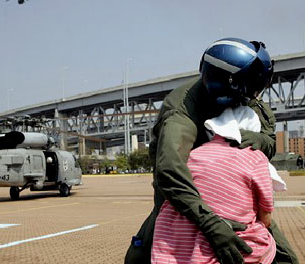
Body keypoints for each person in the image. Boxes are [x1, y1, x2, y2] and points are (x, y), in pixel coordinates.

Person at [124, 38, 298, 264]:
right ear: (233, 84)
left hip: (238, 201)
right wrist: (211, 223)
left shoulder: (246, 98)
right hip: (184, 203)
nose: (256, 95)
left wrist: (258, 140)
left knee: (286, 259)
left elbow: (269, 142)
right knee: (141, 257)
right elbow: (170, 172)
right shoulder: (182, 110)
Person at [152, 105, 284, 264]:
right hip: (231, 251)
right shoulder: (255, 158)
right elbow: (266, 217)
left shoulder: (192, 155)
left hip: (177, 249)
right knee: (267, 241)